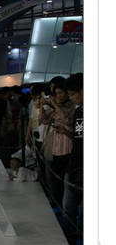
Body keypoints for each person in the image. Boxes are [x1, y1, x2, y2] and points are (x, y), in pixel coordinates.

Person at [38, 77, 76, 208]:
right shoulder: (57, 107)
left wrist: (55, 105)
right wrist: (42, 105)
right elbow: (43, 120)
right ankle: (58, 204)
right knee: (55, 180)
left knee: (68, 183)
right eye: (56, 93)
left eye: (61, 93)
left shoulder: (73, 107)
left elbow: (67, 120)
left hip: (68, 149)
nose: (58, 96)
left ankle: (68, 209)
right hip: (56, 149)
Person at [62, 73, 84, 245]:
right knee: (68, 207)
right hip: (74, 166)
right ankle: (68, 242)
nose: (71, 98)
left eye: (73, 94)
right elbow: (78, 138)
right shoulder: (79, 111)